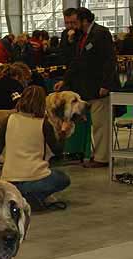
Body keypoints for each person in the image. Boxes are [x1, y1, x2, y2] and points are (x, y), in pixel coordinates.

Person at [55, 7, 119, 168]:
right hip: (86, 86)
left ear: (84, 21)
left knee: (100, 123)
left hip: (99, 87)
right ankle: (93, 154)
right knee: (92, 123)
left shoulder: (101, 33)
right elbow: (75, 61)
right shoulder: (81, 36)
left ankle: (102, 158)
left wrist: (106, 84)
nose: (72, 26)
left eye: (75, 22)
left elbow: (110, 60)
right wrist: (65, 80)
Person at [1, 86, 70, 209]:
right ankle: (31, 195)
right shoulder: (44, 124)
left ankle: (18, 194)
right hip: (33, 178)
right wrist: (63, 132)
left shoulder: (8, 119)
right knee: (62, 178)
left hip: (8, 180)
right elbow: (58, 151)